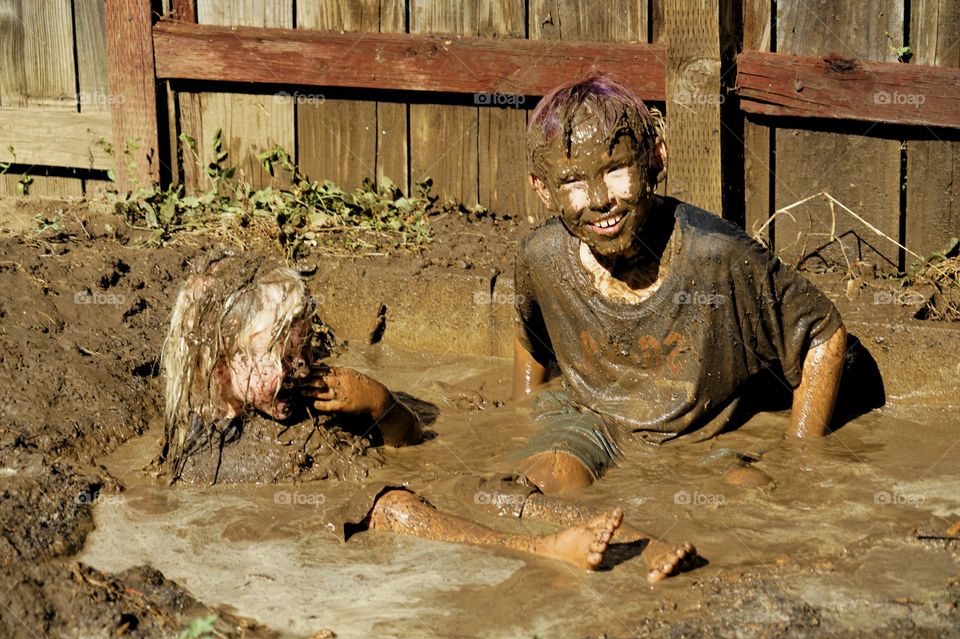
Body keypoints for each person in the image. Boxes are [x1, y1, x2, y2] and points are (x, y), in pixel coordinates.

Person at [160, 253, 692, 578]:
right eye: (279, 356)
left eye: (301, 349)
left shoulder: (304, 392)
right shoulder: (206, 450)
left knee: (490, 489)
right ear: (220, 367)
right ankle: (539, 550)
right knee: (391, 504)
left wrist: (378, 402)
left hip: (390, 478)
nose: (298, 366)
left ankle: (645, 542)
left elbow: (408, 441)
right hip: (366, 501)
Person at [513, 75, 847, 494]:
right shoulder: (542, 258)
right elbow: (531, 338)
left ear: (655, 159)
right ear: (542, 190)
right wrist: (522, 410)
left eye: (616, 169)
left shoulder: (717, 256)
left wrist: (802, 453)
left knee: (755, 495)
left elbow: (822, 333)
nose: (599, 199)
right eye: (573, 183)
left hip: (705, 441)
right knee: (534, 485)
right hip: (589, 422)